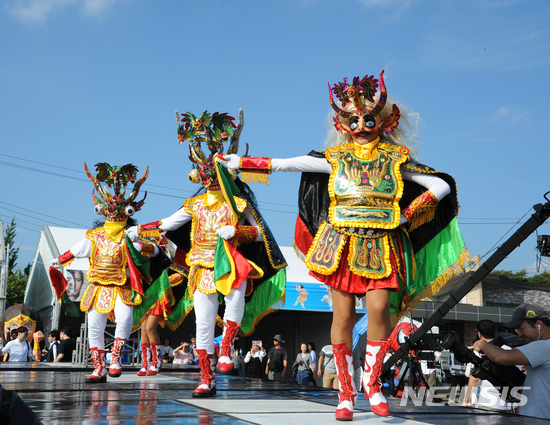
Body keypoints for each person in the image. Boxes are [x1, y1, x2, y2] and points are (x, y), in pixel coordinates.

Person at [219, 70, 466, 420]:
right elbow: (288, 163)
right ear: (343, 122)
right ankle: (346, 393)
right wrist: (242, 163)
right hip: (341, 243)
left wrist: (407, 215)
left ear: (384, 120)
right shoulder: (334, 158)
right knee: (344, 314)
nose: (362, 125)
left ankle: (372, 381)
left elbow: (439, 185)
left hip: (381, 242)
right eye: (354, 119)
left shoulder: (396, 159)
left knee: (380, 309)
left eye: (368, 118)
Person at [129, 110, 286, 397]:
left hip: (232, 264)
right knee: (202, 321)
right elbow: (167, 224)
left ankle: (226, 346)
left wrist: (237, 233)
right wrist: (140, 230)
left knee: (235, 299)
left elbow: (261, 233)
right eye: (205, 172)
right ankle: (206, 377)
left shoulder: (238, 203)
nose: (209, 177)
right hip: (201, 267)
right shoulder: (195, 204)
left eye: (214, 171)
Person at [51, 162, 169, 382]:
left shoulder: (129, 237)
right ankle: (99, 368)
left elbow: (154, 251)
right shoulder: (95, 236)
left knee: (124, 321)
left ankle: (115, 360)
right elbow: (75, 251)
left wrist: (140, 244)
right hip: (97, 288)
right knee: (95, 327)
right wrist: (58, 261)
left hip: (121, 287)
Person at [473, 303, 550, 420]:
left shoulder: (544, 346)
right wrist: (523, 394)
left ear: (539, 324)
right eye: (517, 329)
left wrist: (482, 343)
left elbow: (500, 357)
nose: (519, 334)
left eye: (521, 328)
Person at [462, 320, 515, 410]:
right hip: (510, 404)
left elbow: (475, 378)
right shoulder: (508, 350)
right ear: (495, 332)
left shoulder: (478, 352)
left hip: (488, 403)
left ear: (479, 334)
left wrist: (465, 401)